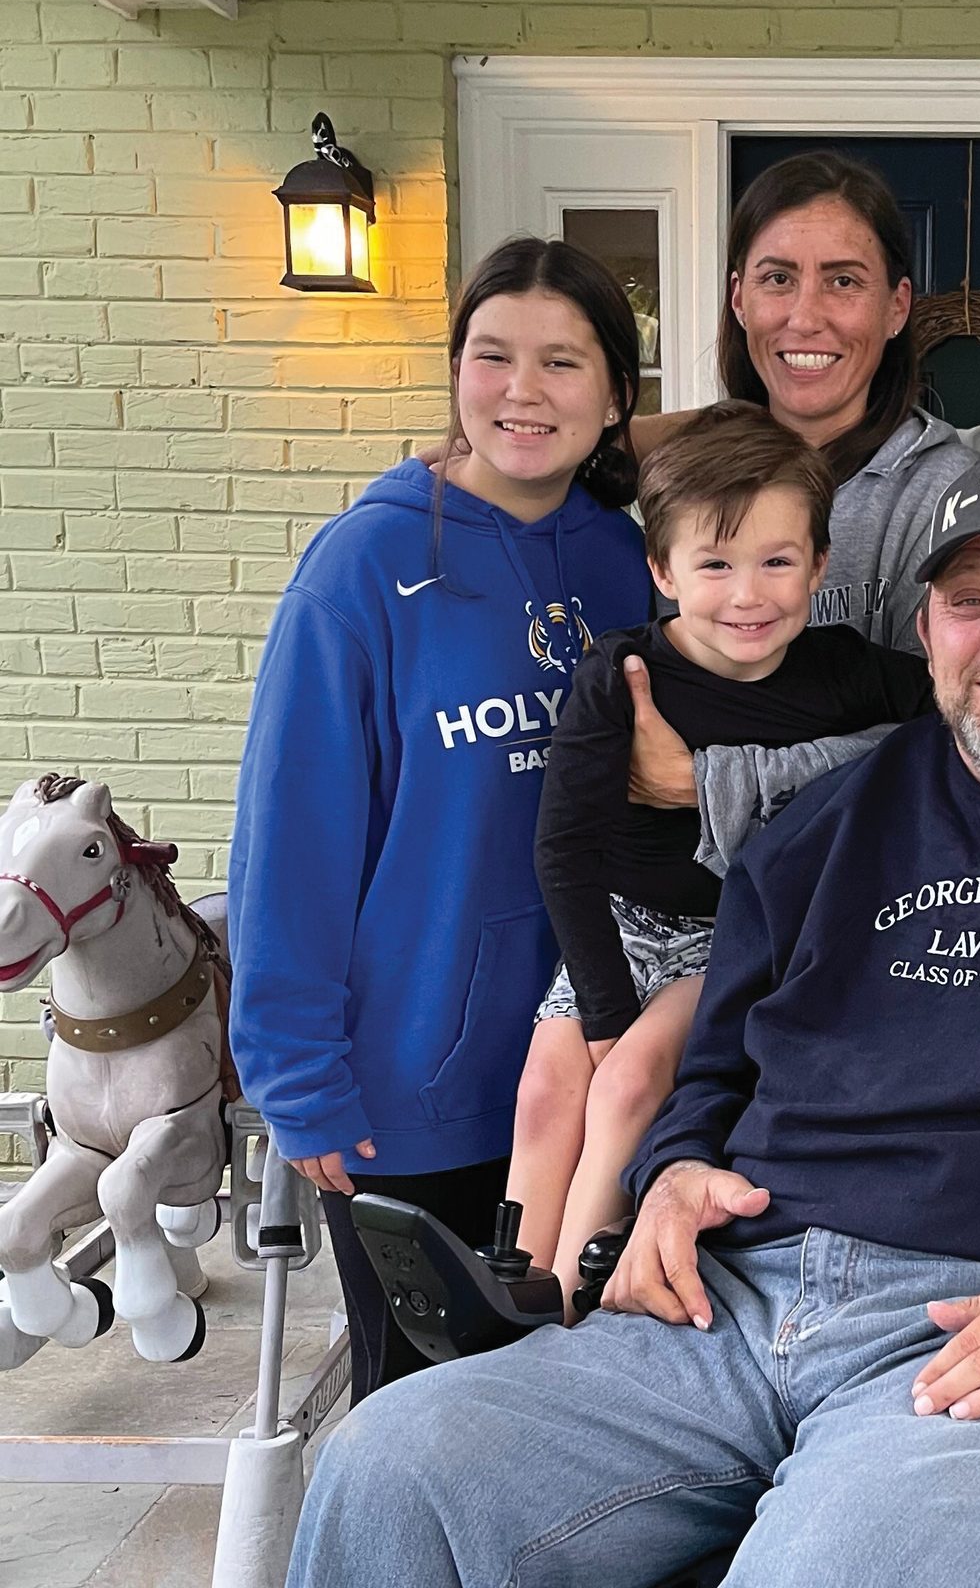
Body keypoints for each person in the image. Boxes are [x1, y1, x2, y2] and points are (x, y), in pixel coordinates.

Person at [287, 447, 980, 1588]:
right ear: (926, 631)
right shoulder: (827, 825)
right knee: (390, 1466)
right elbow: (714, 1071)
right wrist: (674, 1169)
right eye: (971, 599)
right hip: (727, 1308)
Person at [228, 237, 655, 1402]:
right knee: (423, 1424)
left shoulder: (629, 564)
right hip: (415, 1096)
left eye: (563, 362)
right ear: (455, 371)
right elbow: (291, 836)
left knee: (569, 1426)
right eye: (492, 355)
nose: (523, 391)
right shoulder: (364, 566)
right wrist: (294, 1075)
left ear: (617, 392)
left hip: (595, 1079)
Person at [623, 151, 980, 852]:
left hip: (871, 880)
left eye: (843, 281)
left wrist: (712, 782)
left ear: (897, 307)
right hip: (670, 894)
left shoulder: (949, 490)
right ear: (739, 299)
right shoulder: (681, 475)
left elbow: (953, 734)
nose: (805, 317)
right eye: (778, 279)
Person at [512, 401, 933, 1307]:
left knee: (626, 1083)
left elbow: (955, 714)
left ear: (821, 565)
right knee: (549, 1085)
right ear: (662, 569)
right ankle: (508, 1280)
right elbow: (563, 850)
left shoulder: (846, 671)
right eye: (715, 564)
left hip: (735, 934)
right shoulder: (619, 677)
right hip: (620, 923)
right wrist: (600, 1010)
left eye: (778, 562)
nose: (749, 595)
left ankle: (574, 1302)